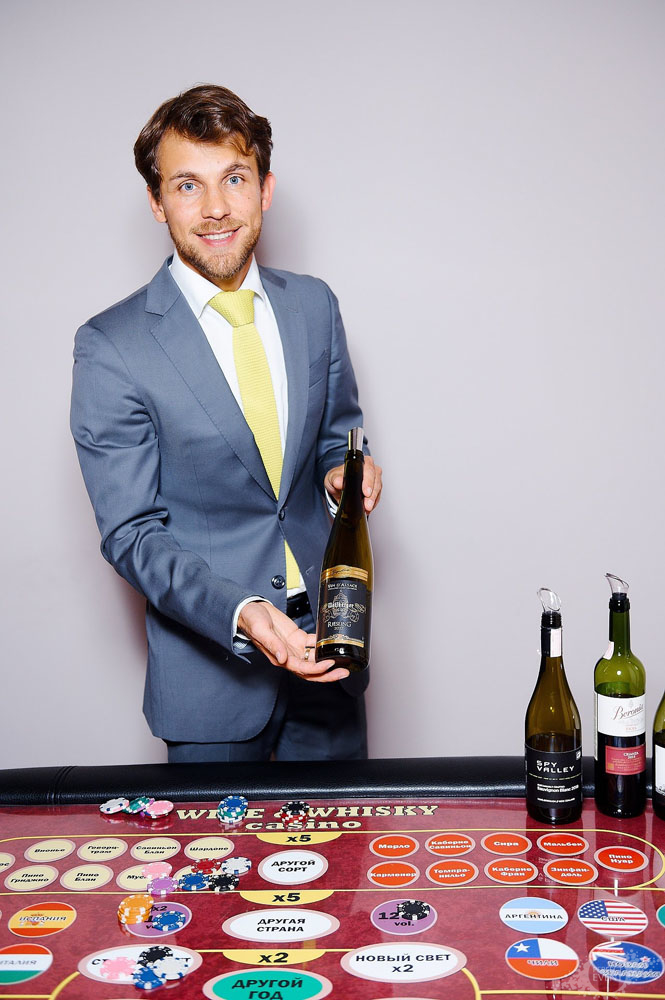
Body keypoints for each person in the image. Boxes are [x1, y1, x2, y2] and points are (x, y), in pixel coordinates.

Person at [70, 84, 382, 763]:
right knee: (215, 841)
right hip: (210, 678)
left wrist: (341, 474)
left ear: (265, 189)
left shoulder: (315, 307)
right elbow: (131, 533)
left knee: (345, 837)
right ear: (157, 202)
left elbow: (338, 437)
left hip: (332, 651)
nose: (215, 208)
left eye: (234, 178)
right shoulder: (111, 346)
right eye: (187, 185)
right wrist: (241, 612)